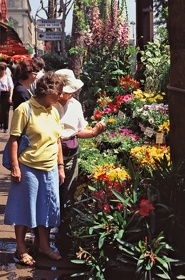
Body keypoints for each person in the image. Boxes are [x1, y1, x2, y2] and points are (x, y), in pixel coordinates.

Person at [4, 71, 65, 266]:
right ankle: (20, 249)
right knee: (24, 209)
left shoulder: (53, 110)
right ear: (48, 91)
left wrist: (60, 166)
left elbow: (57, 141)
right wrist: (15, 166)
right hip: (28, 167)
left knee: (46, 208)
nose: (62, 96)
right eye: (59, 92)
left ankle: (44, 246)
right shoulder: (25, 109)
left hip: (50, 169)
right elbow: (14, 139)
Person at [54, 69, 106, 252]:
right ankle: (43, 236)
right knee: (51, 195)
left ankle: (64, 234)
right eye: (67, 91)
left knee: (68, 194)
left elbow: (78, 130)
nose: (70, 94)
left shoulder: (75, 105)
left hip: (71, 154)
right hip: (51, 155)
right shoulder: (49, 105)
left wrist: (94, 133)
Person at [0, 61, 14, 132]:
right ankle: (0, 124)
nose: (2, 71)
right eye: (1, 70)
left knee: (5, 112)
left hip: (5, 94)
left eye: (3, 70)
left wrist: (10, 97)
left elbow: (11, 87)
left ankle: (5, 127)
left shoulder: (8, 77)